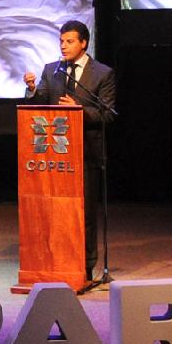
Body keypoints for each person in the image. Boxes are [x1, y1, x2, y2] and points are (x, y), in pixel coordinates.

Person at [22, 19, 116, 288]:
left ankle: (85, 267)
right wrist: (32, 89)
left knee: (84, 214)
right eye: (61, 41)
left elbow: (107, 115)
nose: (63, 46)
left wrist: (78, 110)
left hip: (86, 154)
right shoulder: (52, 70)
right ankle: (55, 263)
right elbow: (40, 103)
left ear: (83, 43)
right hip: (54, 156)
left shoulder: (102, 74)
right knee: (54, 211)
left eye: (70, 41)